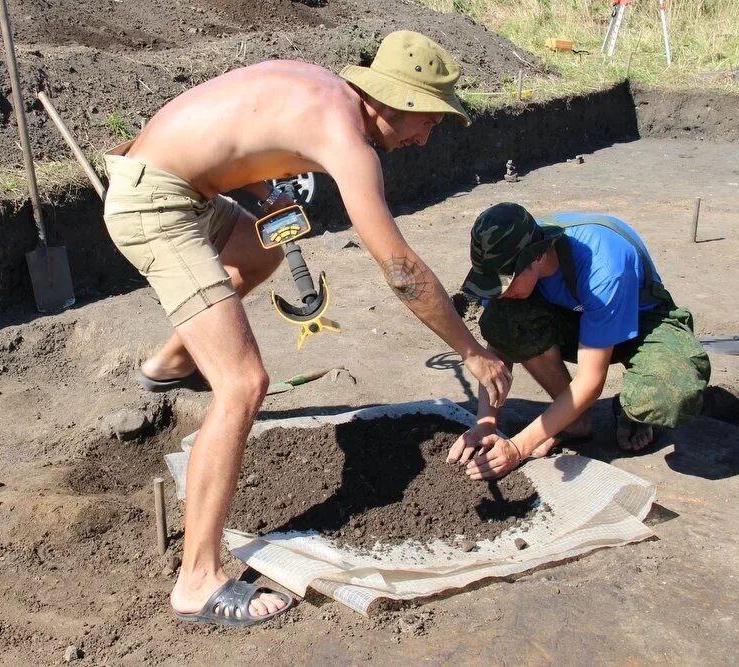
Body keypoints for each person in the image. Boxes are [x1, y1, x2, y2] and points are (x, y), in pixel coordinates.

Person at [102, 31, 512, 627]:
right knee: (243, 385)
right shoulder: (346, 139)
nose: (429, 136)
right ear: (396, 104)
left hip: (176, 184)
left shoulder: (321, 88)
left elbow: (234, 125)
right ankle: (197, 580)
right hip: (156, 205)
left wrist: (266, 193)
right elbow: (398, 269)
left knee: (259, 247)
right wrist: (471, 351)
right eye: (430, 120)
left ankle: (170, 362)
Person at [447, 202, 711, 481]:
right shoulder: (507, 249)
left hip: (643, 322)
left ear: (537, 257)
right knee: (501, 319)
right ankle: (574, 421)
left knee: (667, 396)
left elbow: (590, 380)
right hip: (579, 318)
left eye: (505, 284)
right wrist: (485, 423)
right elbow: (500, 346)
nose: (499, 294)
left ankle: (629, 410)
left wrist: (518, 448)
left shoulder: (603, 264)